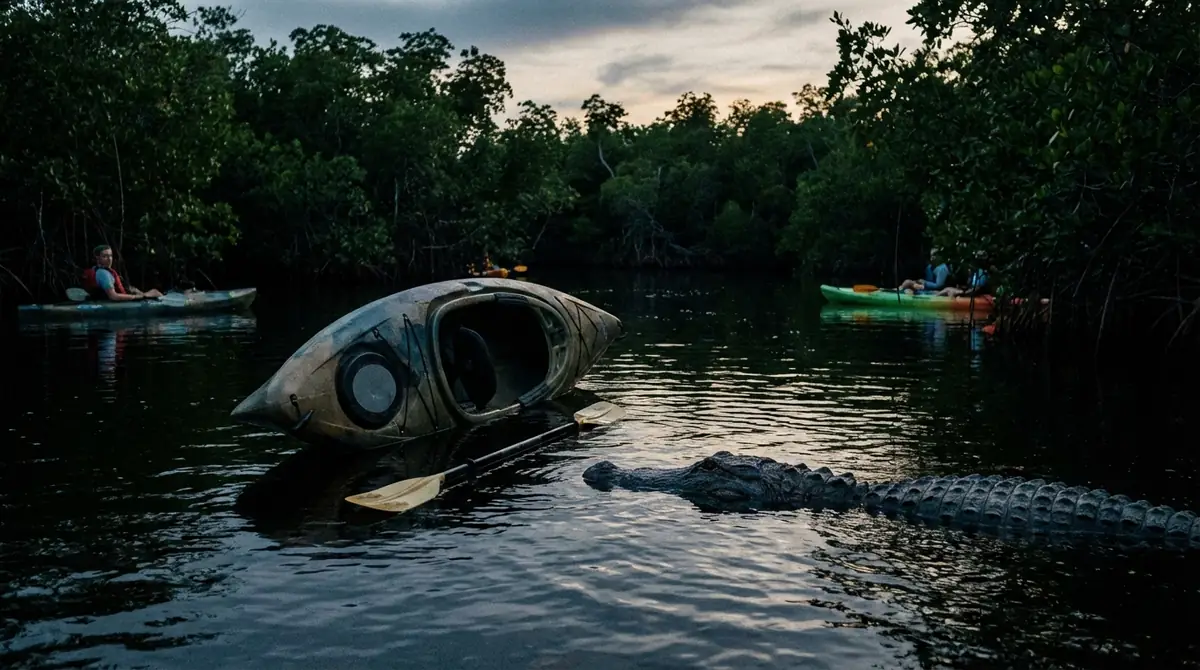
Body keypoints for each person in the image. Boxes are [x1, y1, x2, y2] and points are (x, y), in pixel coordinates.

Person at [81, 244, 163, 301]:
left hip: (124, 295)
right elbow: (114, 297)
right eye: (105, 256)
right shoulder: (103, 274)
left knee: (153, 291)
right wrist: (138, 297)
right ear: (97, 258)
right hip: (121, 301)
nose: (109, 259)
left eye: (110, 256)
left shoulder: (96, 269)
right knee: (155, 292)